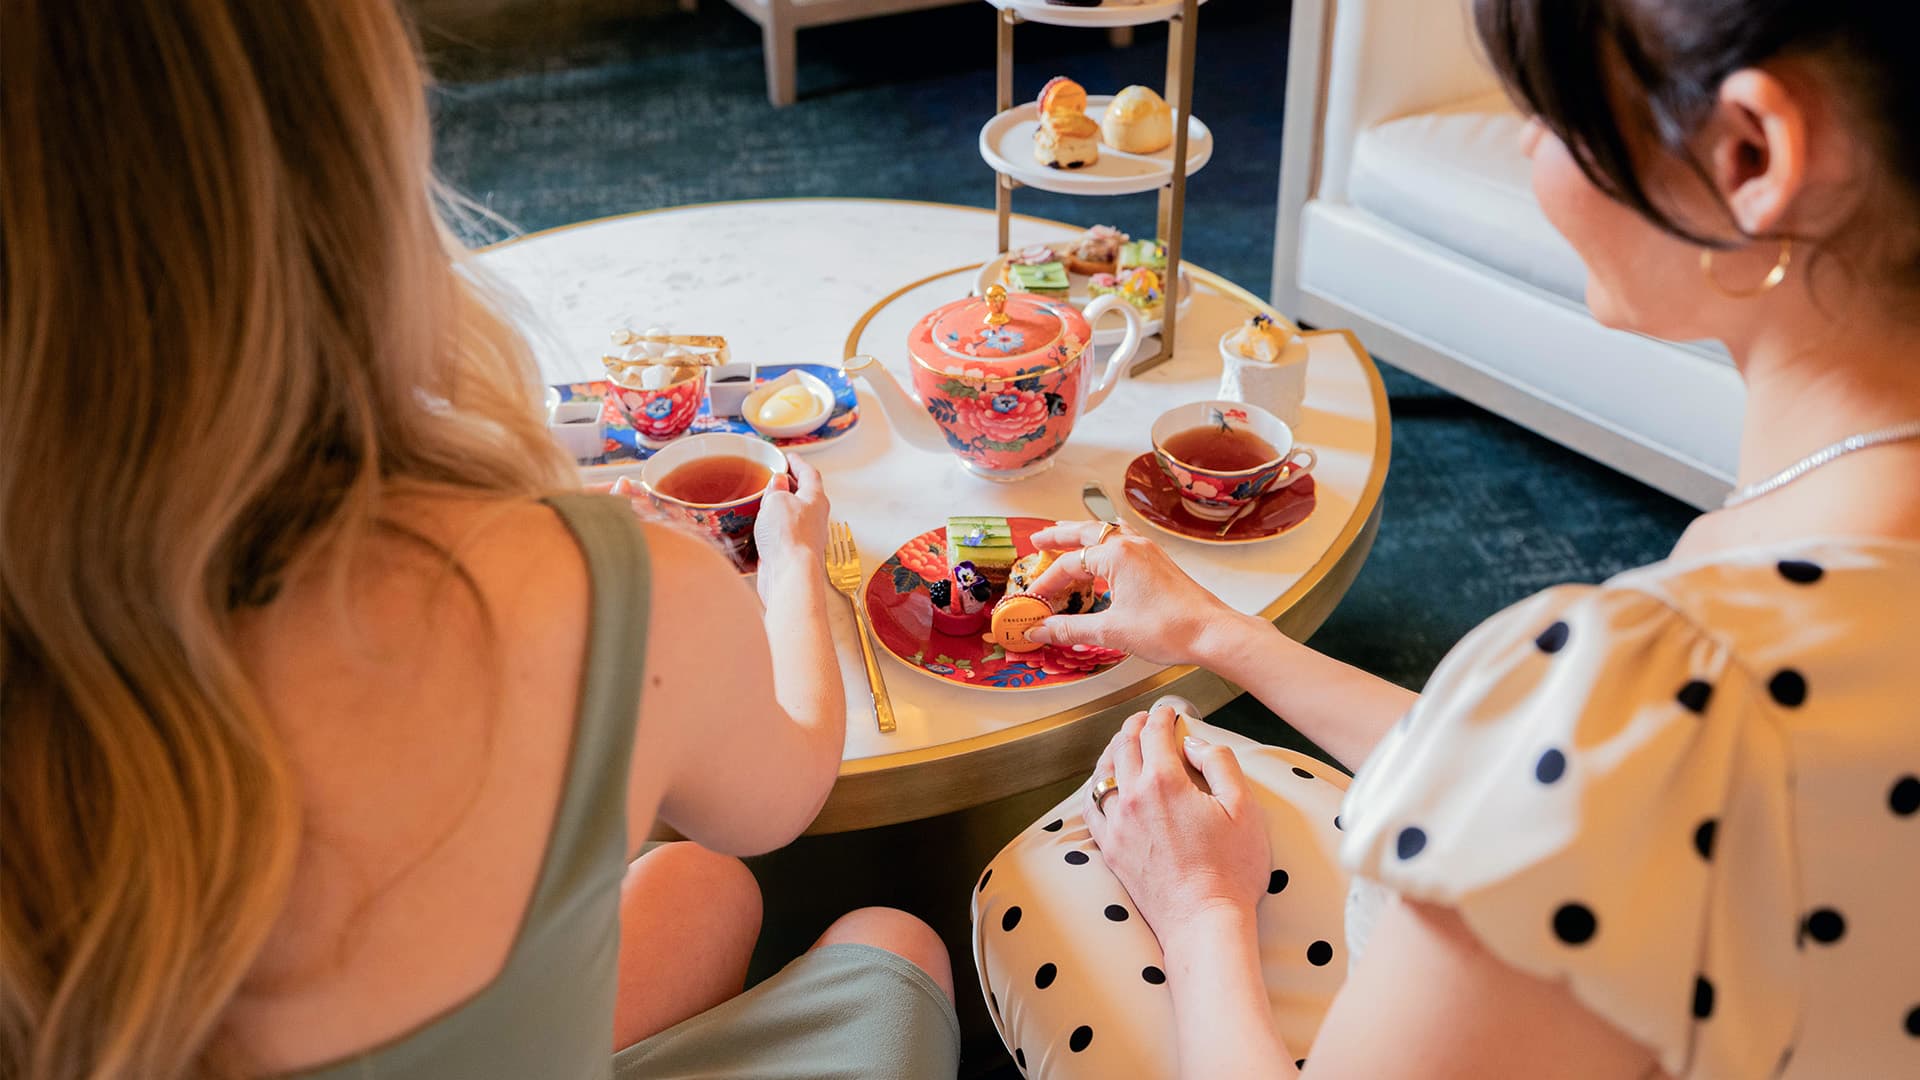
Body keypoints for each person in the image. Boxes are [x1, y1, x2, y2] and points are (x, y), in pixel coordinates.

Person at [0, 3, 958, 1078]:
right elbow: (781, 794)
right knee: (890, 945)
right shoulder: (599, 593)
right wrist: (787, 563)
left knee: (699, 890)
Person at [972, 0, 1920, 1075]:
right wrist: (1212, 630)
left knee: (1044, 867)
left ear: (1752, 154)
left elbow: (1599, 765)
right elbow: (1555, 781)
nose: (1526, 148)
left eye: (1553, 113)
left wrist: (1199, 912)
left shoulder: (1660, 684)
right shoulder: (1777, 621)